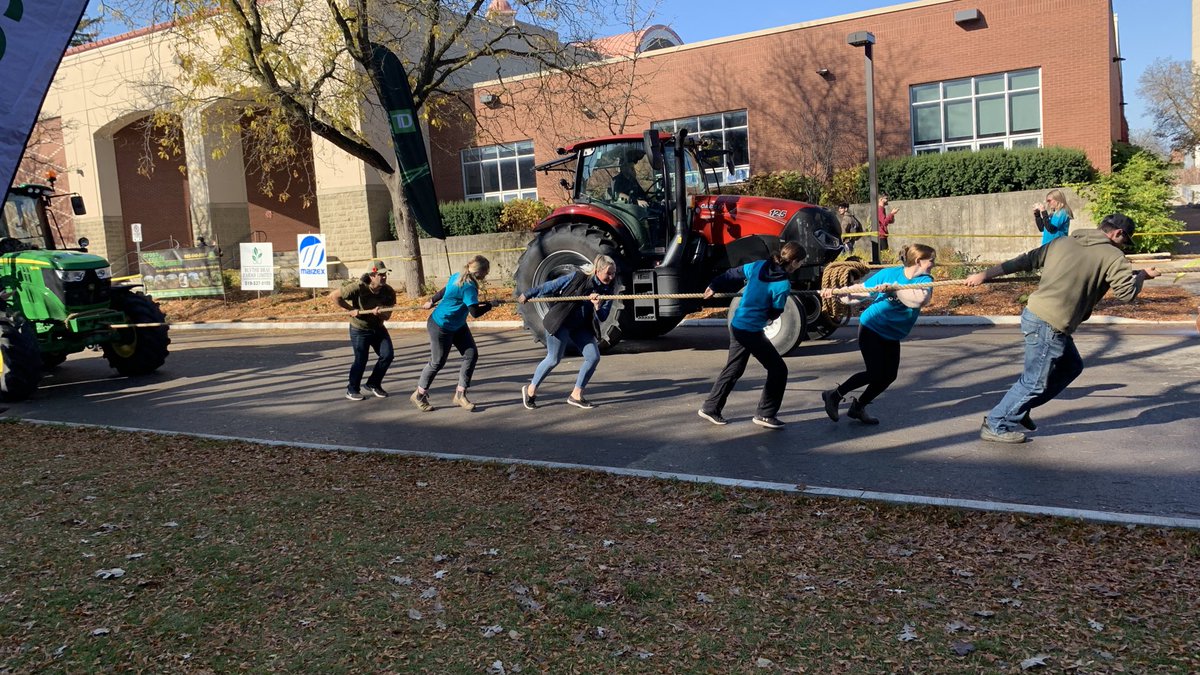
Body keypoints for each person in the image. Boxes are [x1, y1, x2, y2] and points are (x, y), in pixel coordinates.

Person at [966, 214, 1160, 443]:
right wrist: (1142, 277)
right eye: (1125, 241)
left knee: (1071, 366)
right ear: (1118, 234)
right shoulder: (1114, 255)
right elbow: (1126, 294)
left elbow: (1025, 261)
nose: (1123, 246)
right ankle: (997, 423)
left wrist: (985, 274)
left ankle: (1020, 408)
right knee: (1034, 382)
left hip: (1036, 315)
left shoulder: (1063, 242)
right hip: (1050, 323)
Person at [820, 244, 937, 426]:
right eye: (931, 260)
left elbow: (919, 300)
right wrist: (836, 295)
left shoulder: (925, 279)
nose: (933, 264)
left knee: (889, 375)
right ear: (919, 261)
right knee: (875, 373)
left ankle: (858, 407)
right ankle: (833, 395)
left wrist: (895, 289)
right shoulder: (889, 274)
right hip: (871, 328)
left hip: (892, 334)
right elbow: (860, 293)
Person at [697, 242, 806, 430]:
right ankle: (765, 414)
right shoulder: (783, 285)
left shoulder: (758, 265)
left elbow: (733, 273)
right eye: (801, 262)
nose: (802, 265)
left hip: (738, 325)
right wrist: (767, 317)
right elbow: (775, 312)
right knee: (778, 370)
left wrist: (714, 285)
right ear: (794, 262)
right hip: (751, 331)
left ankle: (710, 407)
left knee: (734, 368)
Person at [517, 255, 616, 410]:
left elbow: (603, 316)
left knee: (593, 357)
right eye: (608, 273)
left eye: (614, 273)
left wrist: (598, 305)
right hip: (561, 322)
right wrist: (529, 293)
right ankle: (530, 390)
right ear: (597, 270)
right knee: (553, 359)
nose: (611, 277)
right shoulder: (578, 277)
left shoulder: (608, 288)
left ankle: (576, 395)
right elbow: (552, 285)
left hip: (581, 326)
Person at [411, 255, 493, 412]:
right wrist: (490, 306)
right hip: (441, 326)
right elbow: (474, 312)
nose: (486, 276)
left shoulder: (458, 275)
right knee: (437, 362)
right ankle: (419, 394)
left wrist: (431, 299)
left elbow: (444, 291)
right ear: (480, 273)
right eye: (486, 273)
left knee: (471, 354)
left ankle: (460, 395)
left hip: (458, 325)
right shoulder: (469, 286)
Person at [330, 260, 396, 400]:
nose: (384, 277)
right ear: (371, 275)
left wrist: (380, 313)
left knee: (387, 355)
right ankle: (352, 389)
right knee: (361, 359)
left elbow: (388, 316)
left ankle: (373, 383)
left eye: (385, 274)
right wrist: (351, 309)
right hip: (359, 328)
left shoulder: (388, 291)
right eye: (380, 274)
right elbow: (335, 296)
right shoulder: (358, 287)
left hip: (378, 327)